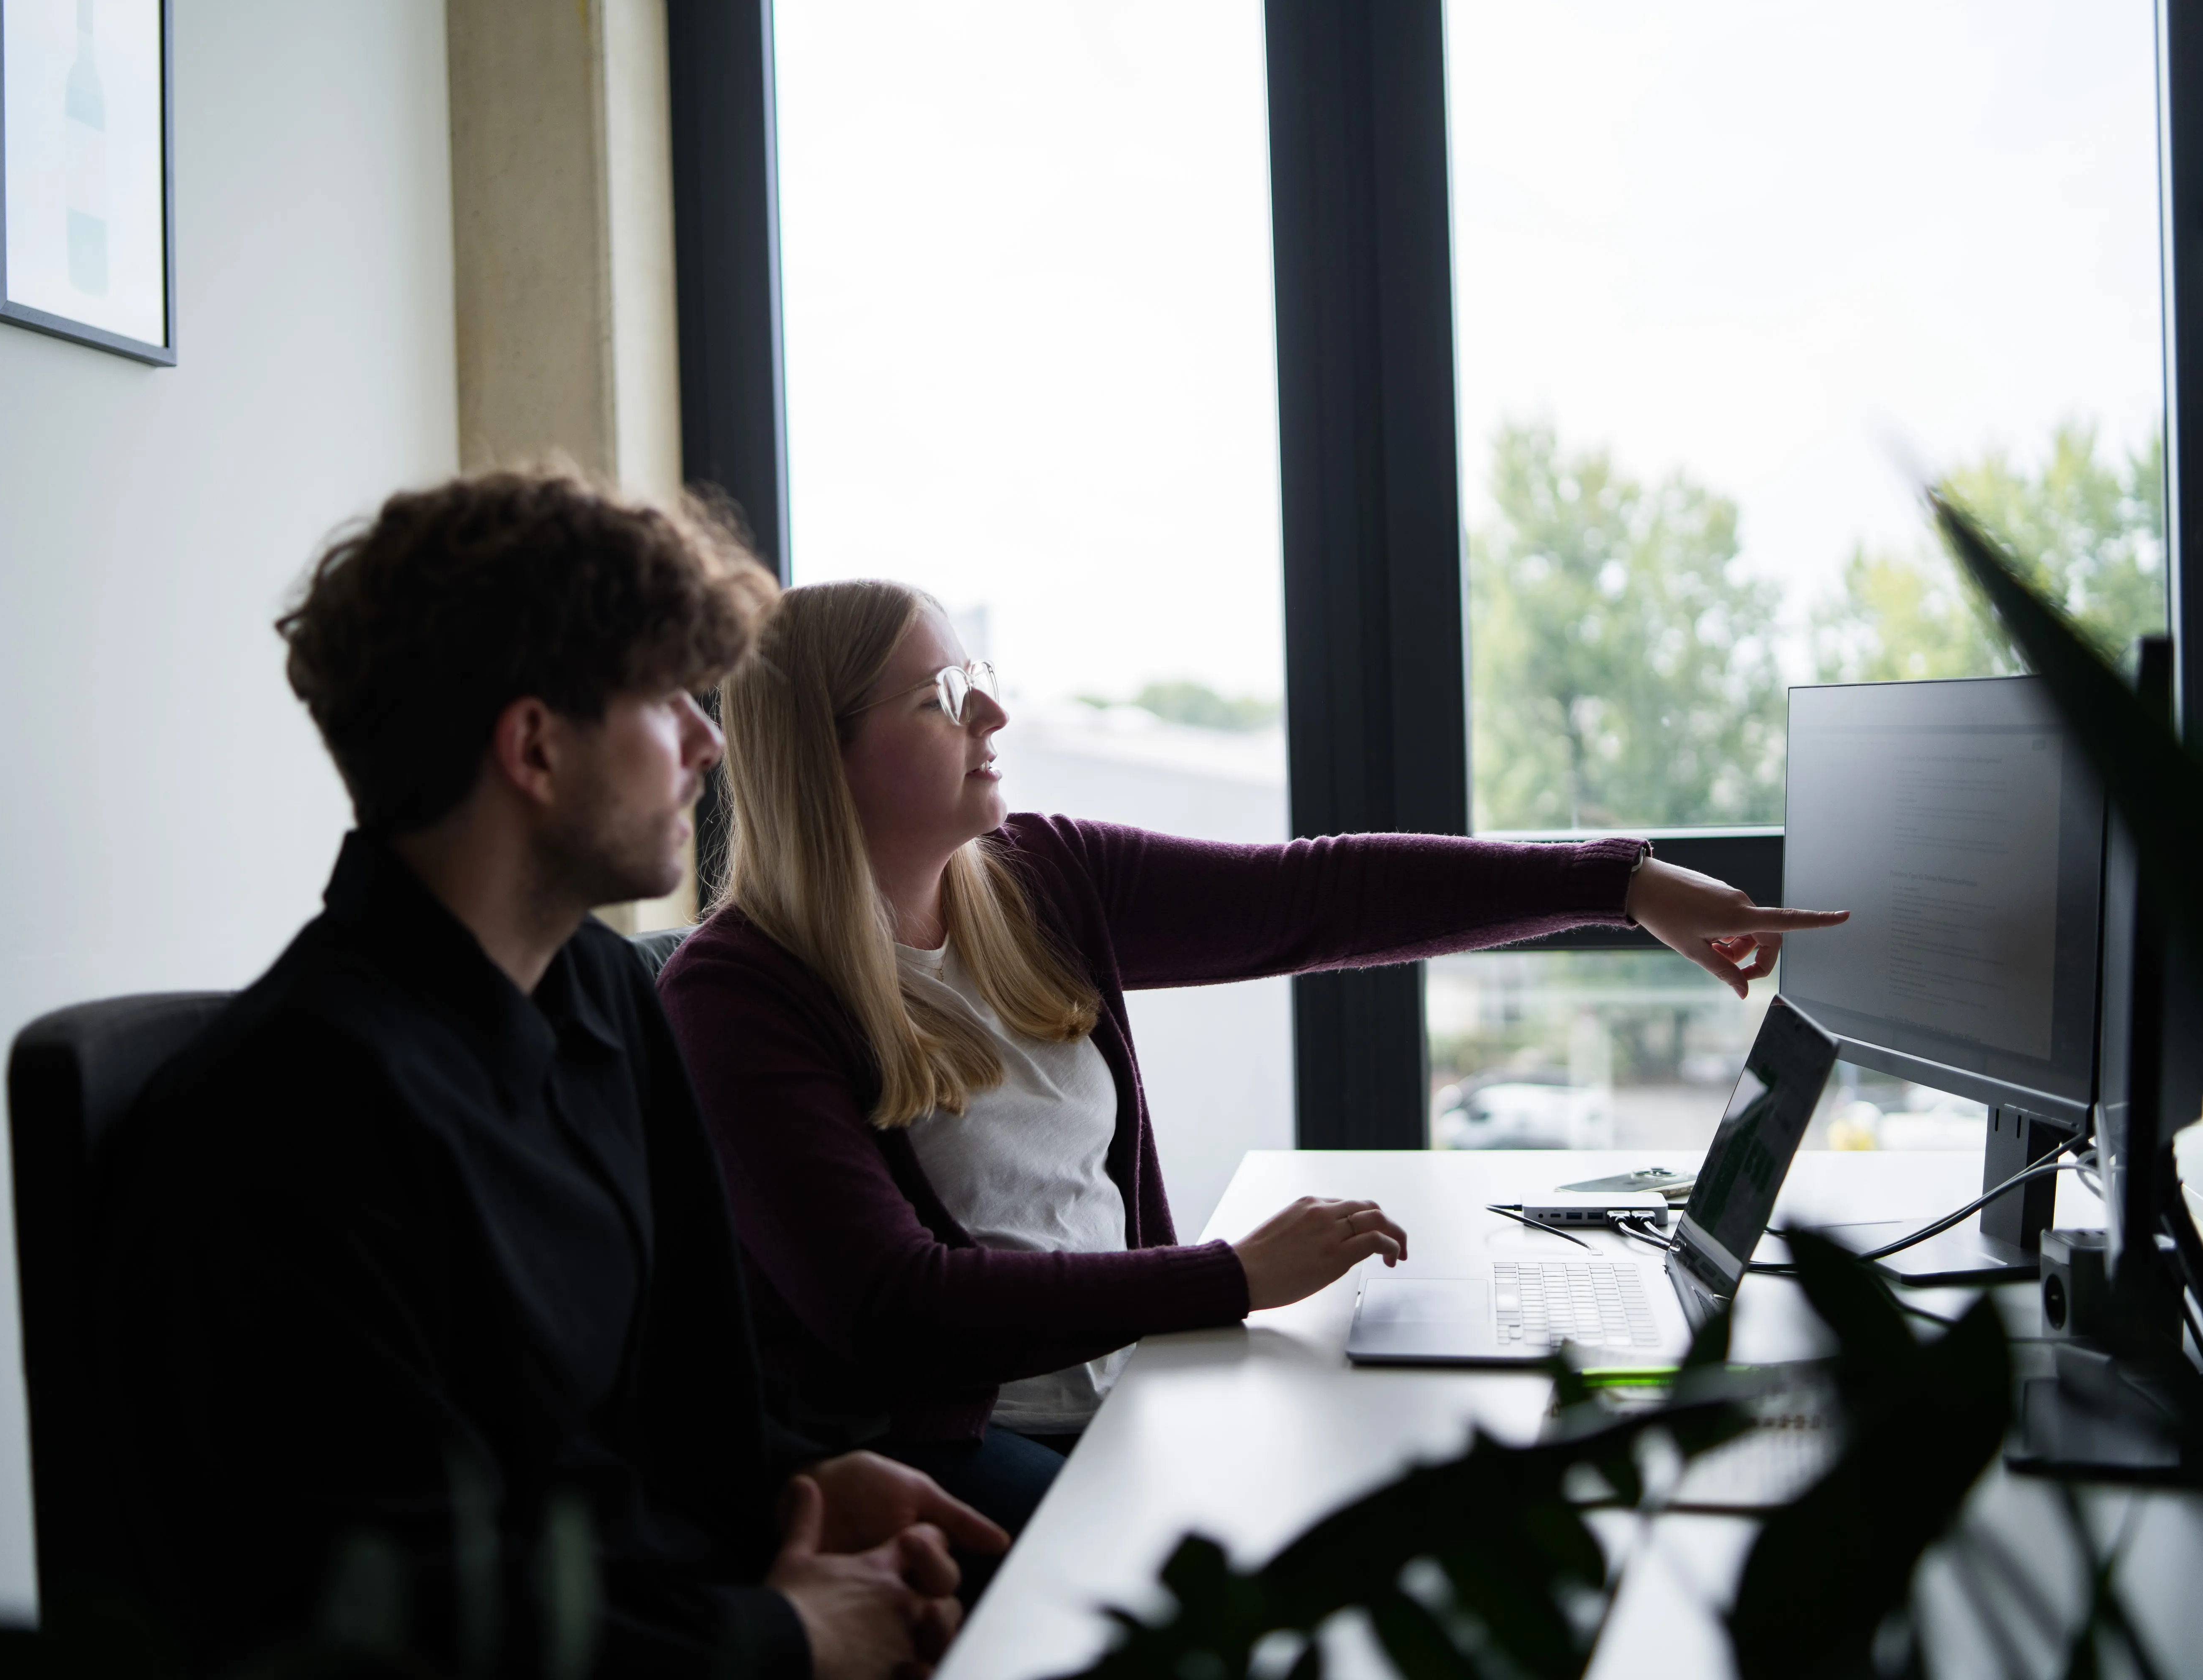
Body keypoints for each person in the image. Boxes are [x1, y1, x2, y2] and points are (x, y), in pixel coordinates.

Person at [655, 580, 1849, 1540]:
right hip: (952, 1451)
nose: (994, 718)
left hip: (1133, 1386)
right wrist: (1229, 1276)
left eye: (983, 682)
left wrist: (1619, 885)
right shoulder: (739, 995)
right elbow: (892, 1310)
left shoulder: (1039, 881)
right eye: (941, 696)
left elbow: (1316, 895)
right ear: (827, 752)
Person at [91, 474, 1006, 1680]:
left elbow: (689, 1407)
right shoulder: (280, 1119)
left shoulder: (610, 992)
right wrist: (786, 1635)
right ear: (533, 747)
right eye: (663, 698)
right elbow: (398, 1615)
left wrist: (799, 1480)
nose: (709, 740)